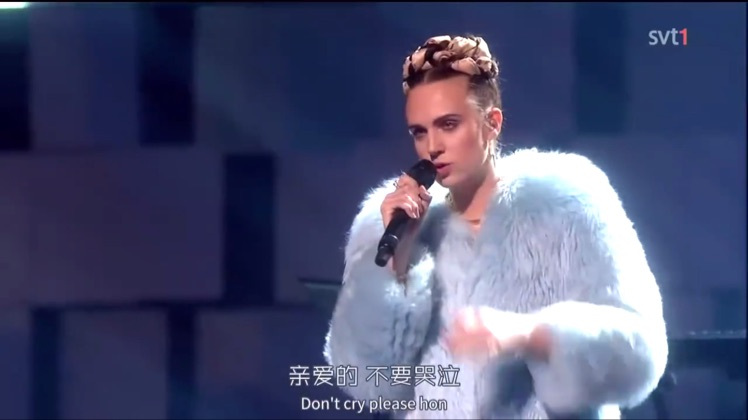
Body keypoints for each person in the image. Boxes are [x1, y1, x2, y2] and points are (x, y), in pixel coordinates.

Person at [323, 34, 668, 419]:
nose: (432, 146)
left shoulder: (567, 203)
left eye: (448, 124)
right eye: (419, 131)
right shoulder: (388, 225)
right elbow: (366, 382)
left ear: (492, 123)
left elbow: (641, 352)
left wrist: (534, 336)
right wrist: (396, 265)